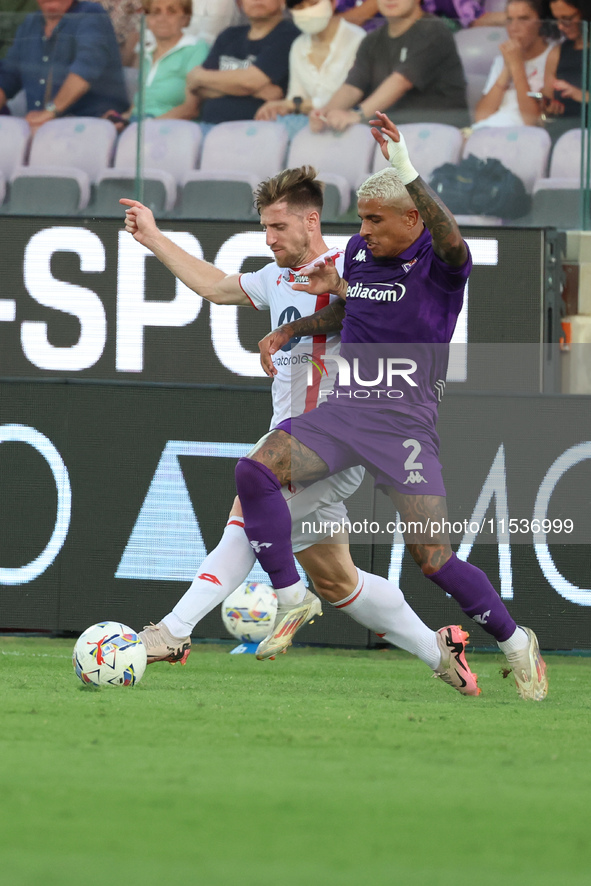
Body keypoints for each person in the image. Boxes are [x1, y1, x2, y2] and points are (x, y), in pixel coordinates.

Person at [120, 169, 481, 697]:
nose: (270, 239)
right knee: (338, 581)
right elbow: (216, 287)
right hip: (290, 442)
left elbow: (405, 306)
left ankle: (171, 632)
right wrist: (152, 237)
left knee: (244, 522)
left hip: (334, 442)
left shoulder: (354, 270)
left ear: (311, 221)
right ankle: (438, 652)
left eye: (278, 227)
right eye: (265, 228)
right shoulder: (276, 278)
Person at [233, 110, 548, 701]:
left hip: (405, 425)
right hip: (347, 413)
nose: (364, 230)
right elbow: (352, 312)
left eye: (377, 220)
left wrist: (403, 165)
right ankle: (290, 595)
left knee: (433, 559)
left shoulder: (441, 264)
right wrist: (293, 328)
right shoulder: (358, 253)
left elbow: (450, 235)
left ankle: (514, 642)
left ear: (412, 218)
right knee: (254, 470)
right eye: (361, 219)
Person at [309, 0, 469, 133]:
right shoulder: (371, 41)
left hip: (437, 134)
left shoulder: (434, 30)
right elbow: (352, 87)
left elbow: (401, 81)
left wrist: (356, 114)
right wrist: (323, 112)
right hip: (391, 136)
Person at [0, 0, 128, 129]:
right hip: (42, 132)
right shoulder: (30, 23)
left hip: (91, 128)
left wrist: (49, 112)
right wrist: (44, 118)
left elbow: (86, 68)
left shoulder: (91, 15)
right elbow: (8, 75)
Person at [186, 0, 299, 124]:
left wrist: (200, 76)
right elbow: (197, 89)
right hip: (209, 128)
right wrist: (254, 91)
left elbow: (251, 81)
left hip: (256, 130)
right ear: (240, 3)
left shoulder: (289, 35)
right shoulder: (228, 35)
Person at [255, 0, 365, 127]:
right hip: (312, 130)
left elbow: (352, 97)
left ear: (333, 3)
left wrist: (293, 105)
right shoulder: (298, 46)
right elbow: (296, 97)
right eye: (299, 7)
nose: (307, 12)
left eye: (313, 4)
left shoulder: (358, 40)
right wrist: (280, 108)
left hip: (351, 129)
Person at [105, 0, 209, 128]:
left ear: (185, 19)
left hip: (172, 129)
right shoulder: (146, 51)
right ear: (147, 19)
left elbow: (191, 109)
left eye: (171, 12)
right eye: (155, 12)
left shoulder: (196, 48)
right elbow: (137, 107)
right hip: (138, 127)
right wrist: (119, 118)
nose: (162, 18)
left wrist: (146, 126)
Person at [473, 0, 552, 129]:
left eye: (523, 19)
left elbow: (532, 120)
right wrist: (507, 68)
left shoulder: (552, 58)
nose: (514, 28)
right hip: (487, 132)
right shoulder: (502, 59)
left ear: (541, 22)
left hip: (524, 136)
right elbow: (481, 117)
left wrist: (517, 67)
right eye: (509, 20)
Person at [542, 0, 590, 134]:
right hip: (564, 129)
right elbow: (547, 98)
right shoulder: (557, 53)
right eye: (557, 20)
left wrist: (581, 95)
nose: (561, 27)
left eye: (567, 19)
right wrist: (549, 108)